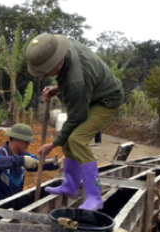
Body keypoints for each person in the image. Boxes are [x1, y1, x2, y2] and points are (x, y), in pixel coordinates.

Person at [26, 33, 124, 211]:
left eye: (47, 72)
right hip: (93, 92)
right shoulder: (62, 48)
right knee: (69, 139)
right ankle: (71, 186)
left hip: (106, 100)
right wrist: (58, 88)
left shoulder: (76, 82)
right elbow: (71, 79)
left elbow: (76, 117)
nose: (46, 75)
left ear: (58, 63)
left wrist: (53, 144)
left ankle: (95, 197)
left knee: (77, 140)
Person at [0, 123, 59, 204]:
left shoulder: (24, 155)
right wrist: (22, 160)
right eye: (26, 141)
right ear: (16, 139)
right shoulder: (2, 152)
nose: (28, 144)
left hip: (15, 203)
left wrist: (57, 163)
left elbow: (38, 161)